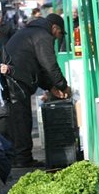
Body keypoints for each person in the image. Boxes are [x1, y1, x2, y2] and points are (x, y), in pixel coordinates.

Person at [5, 13, 71, 168]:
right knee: (21, 118)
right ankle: (22, 159)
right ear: (55, 27)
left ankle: (19, 156)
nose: (57, 38)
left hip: (15, 77)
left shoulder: (31, 32)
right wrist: (62, 85)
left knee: (18, 118)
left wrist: (50, 86)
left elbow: (40, 68)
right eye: (59, 33)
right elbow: (49, 66)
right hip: (17, 79)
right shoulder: (43, 36)